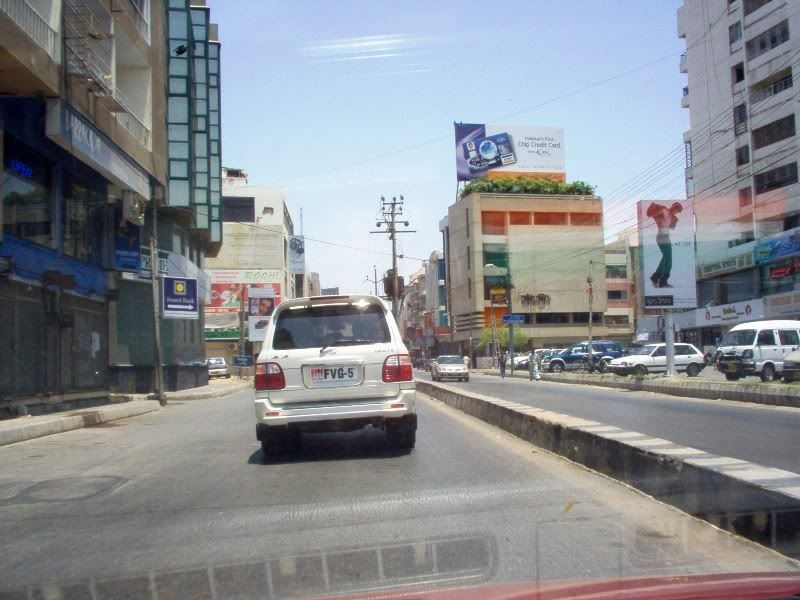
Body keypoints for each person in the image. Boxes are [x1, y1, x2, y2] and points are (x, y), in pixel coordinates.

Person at [646, 201, 683, 288]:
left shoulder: (671, 215)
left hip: (665, 238)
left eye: (677, 212)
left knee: (665, 259)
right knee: (668, 260)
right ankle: (663, 282)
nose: (676, 213)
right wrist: (654, 207)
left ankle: (655, 278)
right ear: (674, 208)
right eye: (676, 211)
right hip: (662, 237)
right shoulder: (664, 210)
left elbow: (670, 225)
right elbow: (650, 212)